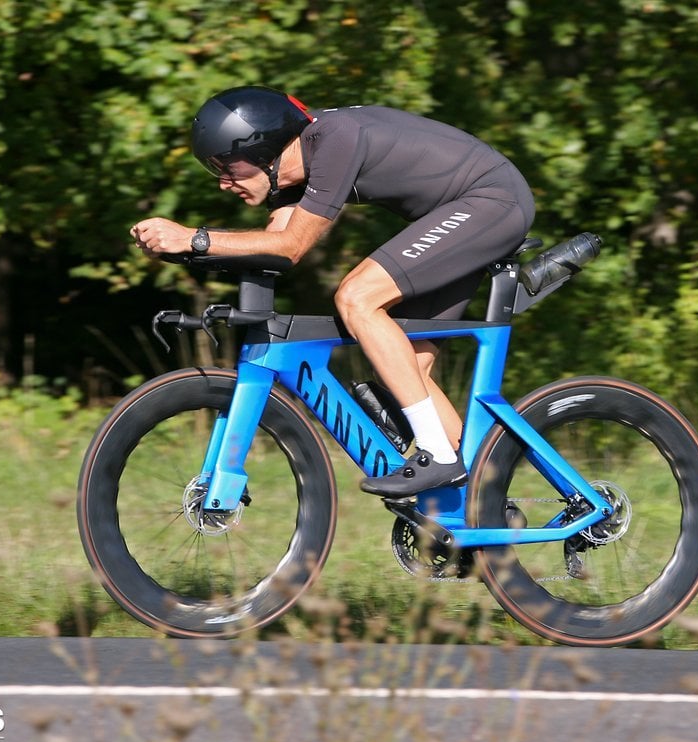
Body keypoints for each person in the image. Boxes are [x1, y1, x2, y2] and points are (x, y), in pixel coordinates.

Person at [130, 86, 535, 497]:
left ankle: (438, 455)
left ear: (264, 152)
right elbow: (272, 249)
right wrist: (185, 253)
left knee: (357, 298)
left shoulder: (335, 139)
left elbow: (293, 245)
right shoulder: (289, 170)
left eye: (227, 167)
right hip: (461, 212)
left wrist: (195, 239)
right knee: (405, 366)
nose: (223, 183)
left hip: (491, 200)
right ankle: (482, 504)